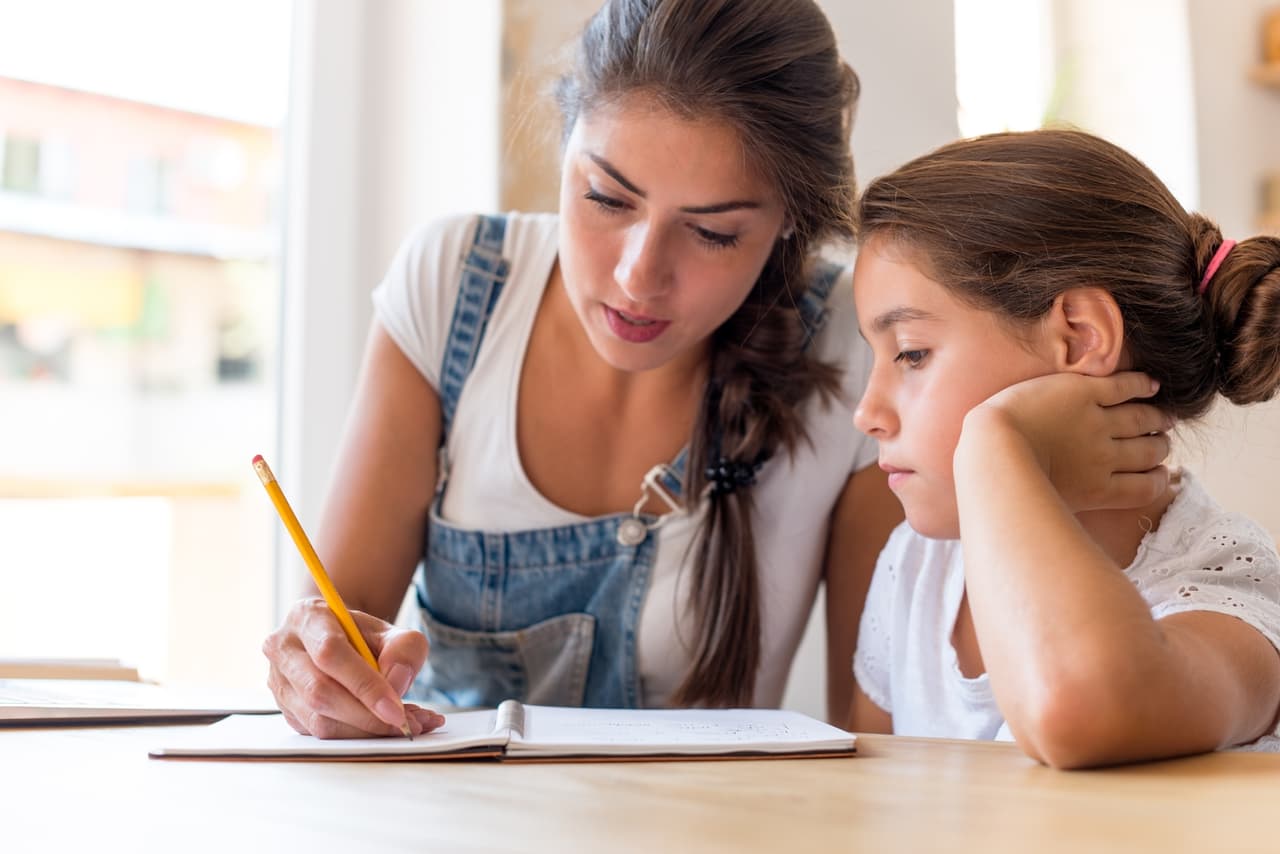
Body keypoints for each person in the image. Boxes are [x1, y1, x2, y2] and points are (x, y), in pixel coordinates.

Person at [262, 1, 1162, 740]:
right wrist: (321, 669)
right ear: (564, 149)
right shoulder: (456, 283)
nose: (636, 276)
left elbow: (885, 728)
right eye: (606, 198)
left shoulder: (854, 356)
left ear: (786, 231)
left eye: (714, 231)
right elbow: (342, 628)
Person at [848, 128, 1280, 768]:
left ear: (1079, 338)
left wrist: (997, 446)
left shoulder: (1226, 593)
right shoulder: (916, 567)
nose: (867, 414)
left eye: (911, 353)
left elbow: (1076, 707)